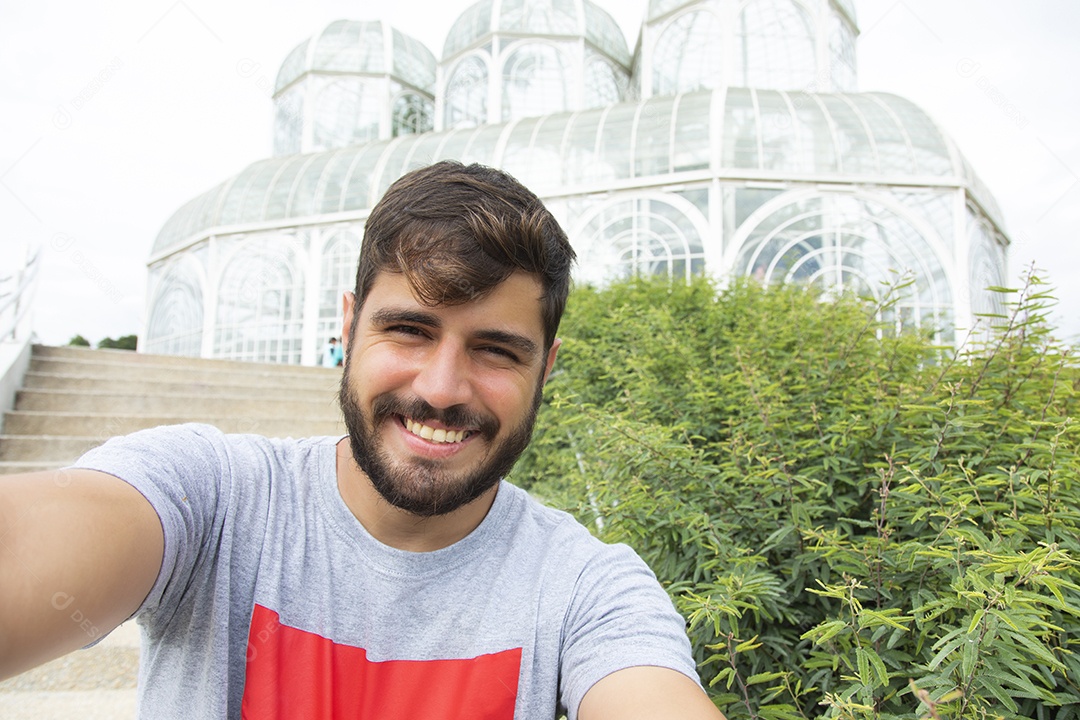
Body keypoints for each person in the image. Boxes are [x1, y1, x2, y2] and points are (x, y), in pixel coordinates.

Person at [0, 161, 725, 720]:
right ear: (348, 329)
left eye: (497, 349)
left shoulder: (587, 590)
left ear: (546, 368)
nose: (442, 388)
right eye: (409, 329)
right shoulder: (207, 497)